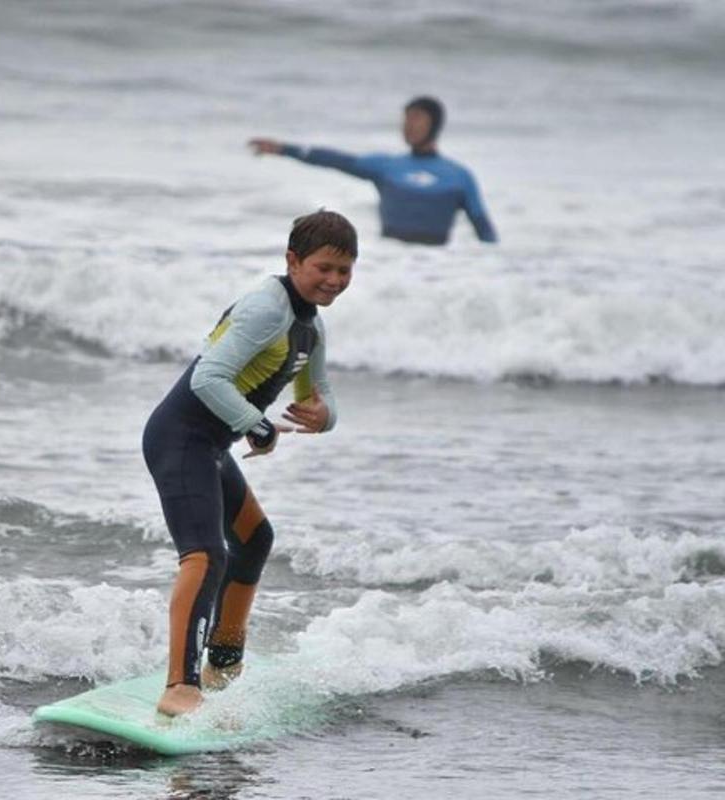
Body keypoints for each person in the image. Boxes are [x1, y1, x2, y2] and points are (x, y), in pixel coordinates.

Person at [142, 209, 357, 717]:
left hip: (209, 446)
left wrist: (324, 416)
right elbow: (207, 379)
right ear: (293, 260)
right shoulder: (267, 309)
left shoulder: (310, 327)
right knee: (204, 556)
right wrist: (256, 425)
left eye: (345, 271)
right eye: (324, 268)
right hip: (181, 439)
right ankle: (180, 687)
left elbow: (319, 394)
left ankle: (223, 664)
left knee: (256, 539)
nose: (334, 280)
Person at [249, 96, 497, 246]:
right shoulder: (387, 167)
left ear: (435, 123)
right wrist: (283, 149)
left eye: (416, 118)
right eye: (406, 118)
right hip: (392, 258)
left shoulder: (458, 176)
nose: (408, 125)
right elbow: (335, 160)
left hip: (436, 264)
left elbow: (484, 229)